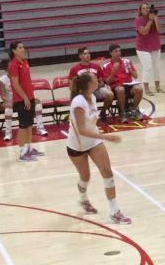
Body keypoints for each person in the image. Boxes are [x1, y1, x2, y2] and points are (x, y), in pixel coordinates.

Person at [66, 73, 131, 224]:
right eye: (95, 79)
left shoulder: (93, 97)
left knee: (107, 172)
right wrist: (107, 137)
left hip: (93, 141)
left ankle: (115, 211)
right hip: (77, 145)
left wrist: (99, 136)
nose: (98, 80)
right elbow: (81, 130)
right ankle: (83, 199)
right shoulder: (78, 103)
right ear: (89, 84)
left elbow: (91, 124)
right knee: (85, 177)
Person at [8, 42, 43, 162]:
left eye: (23, 47)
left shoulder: (25, 62)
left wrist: (31, 97)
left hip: (29, 98)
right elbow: (15, 84)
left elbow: (27, 82)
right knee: (23, 125)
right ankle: (22, 152)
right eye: (20, 47)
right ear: (14, 50)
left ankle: (28, 148)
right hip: (21, 100)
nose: (23, 49)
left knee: (29, 124)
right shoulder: (13, 65)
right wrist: (25, 98)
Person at [68, 47, 115, 122]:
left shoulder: (96, 67)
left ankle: (102, 113)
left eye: (88, 53)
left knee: (110, 94)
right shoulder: (75, 69)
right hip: (82, 92)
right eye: (85, 54)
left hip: (96, 90)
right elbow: (71, 85)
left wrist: (94, 86)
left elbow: (102, 82)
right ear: (80, 56)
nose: (88, 55)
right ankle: (83, 117)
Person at [102, 44, 144, 122]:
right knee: (120, 89)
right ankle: (122, 112)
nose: (118, 53)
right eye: (116, 51)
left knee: (139, 89)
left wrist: (130, 69)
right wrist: (113, 72)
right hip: (116, 86)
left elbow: (135, 76)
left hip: (129, 85)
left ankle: (134, 110)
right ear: (111, 53)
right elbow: (107, 82)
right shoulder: (106, 66)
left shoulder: (126, 61)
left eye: (119, 51)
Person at [135, 3, 163, 96]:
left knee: (157, 67)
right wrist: (150, 21)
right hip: (143, 48)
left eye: (147, 8)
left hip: (155, 46)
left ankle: (158, 86)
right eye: (144, 8)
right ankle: (146, 88)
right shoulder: (138, 20)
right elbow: (144, 32)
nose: (147, 10)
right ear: (141, 10)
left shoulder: (154, 17)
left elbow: (159, 30)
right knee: (147, 67)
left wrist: (156, 19)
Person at [0, 59, 15, 142]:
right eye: (11, 66)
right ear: (6, 69)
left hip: (19, 101)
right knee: (8, 106)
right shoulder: (2, 79)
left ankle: (40, 128)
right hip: (7, 101)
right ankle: (8, 133)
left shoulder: (19, 76)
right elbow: (3, 96)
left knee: (37, 102)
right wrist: (10, 101)